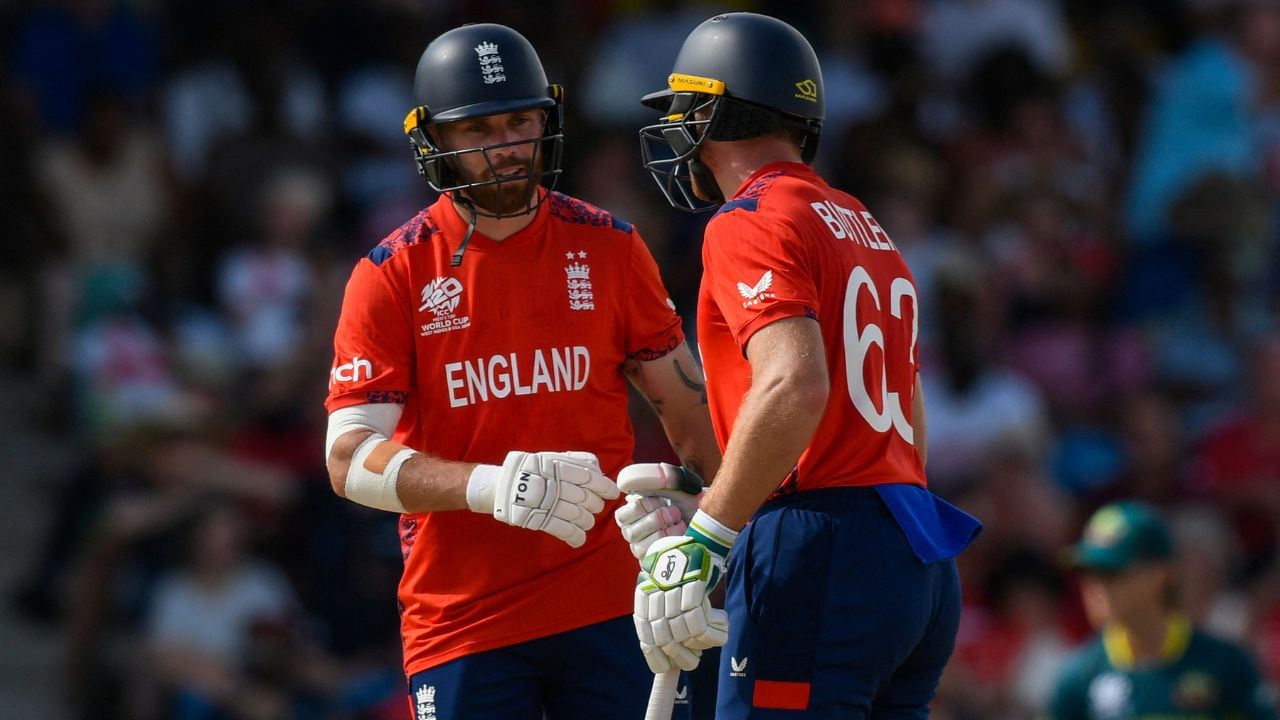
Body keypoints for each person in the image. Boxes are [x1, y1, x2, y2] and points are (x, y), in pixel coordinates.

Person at [322, 23, 720, 720]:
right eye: (478, 129)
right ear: (434, 140)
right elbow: (346, 458)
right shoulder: (392, 274)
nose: (505, 146)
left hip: (611, 604)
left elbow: (689, 414)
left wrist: (717, 533)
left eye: (519, 122)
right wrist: (490, 486)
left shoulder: (611, 246)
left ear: (547, 120)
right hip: (463, 622)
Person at [619, 12, 982, 718]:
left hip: (821, 545)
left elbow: (795, 382)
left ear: (717, 112)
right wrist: (733, 498)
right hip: (915, 548)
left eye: (687, 109)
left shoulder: (748, 218)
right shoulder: (866, 226)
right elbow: (908, 416)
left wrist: (709, 533)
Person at [1049, 501, 1276, 719]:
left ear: (1162, 574)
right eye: (1089, 574)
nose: (1096, 589)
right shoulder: (1079, 678)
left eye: (1111, 573)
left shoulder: (1226, 664)